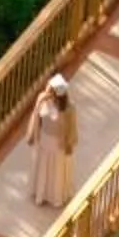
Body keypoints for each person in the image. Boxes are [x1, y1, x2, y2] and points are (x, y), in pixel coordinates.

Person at [26, 72, 78, 208]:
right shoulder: (42, 99)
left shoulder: (69, 109)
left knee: (56, 171)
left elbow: (72, 128)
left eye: (51, 90)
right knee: (42, 167)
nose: (47, 91)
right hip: (43, 141)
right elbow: (36, 117)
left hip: (58, 145)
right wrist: (32, 135)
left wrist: (69, 144)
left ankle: (55, 197)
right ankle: (40, 195)